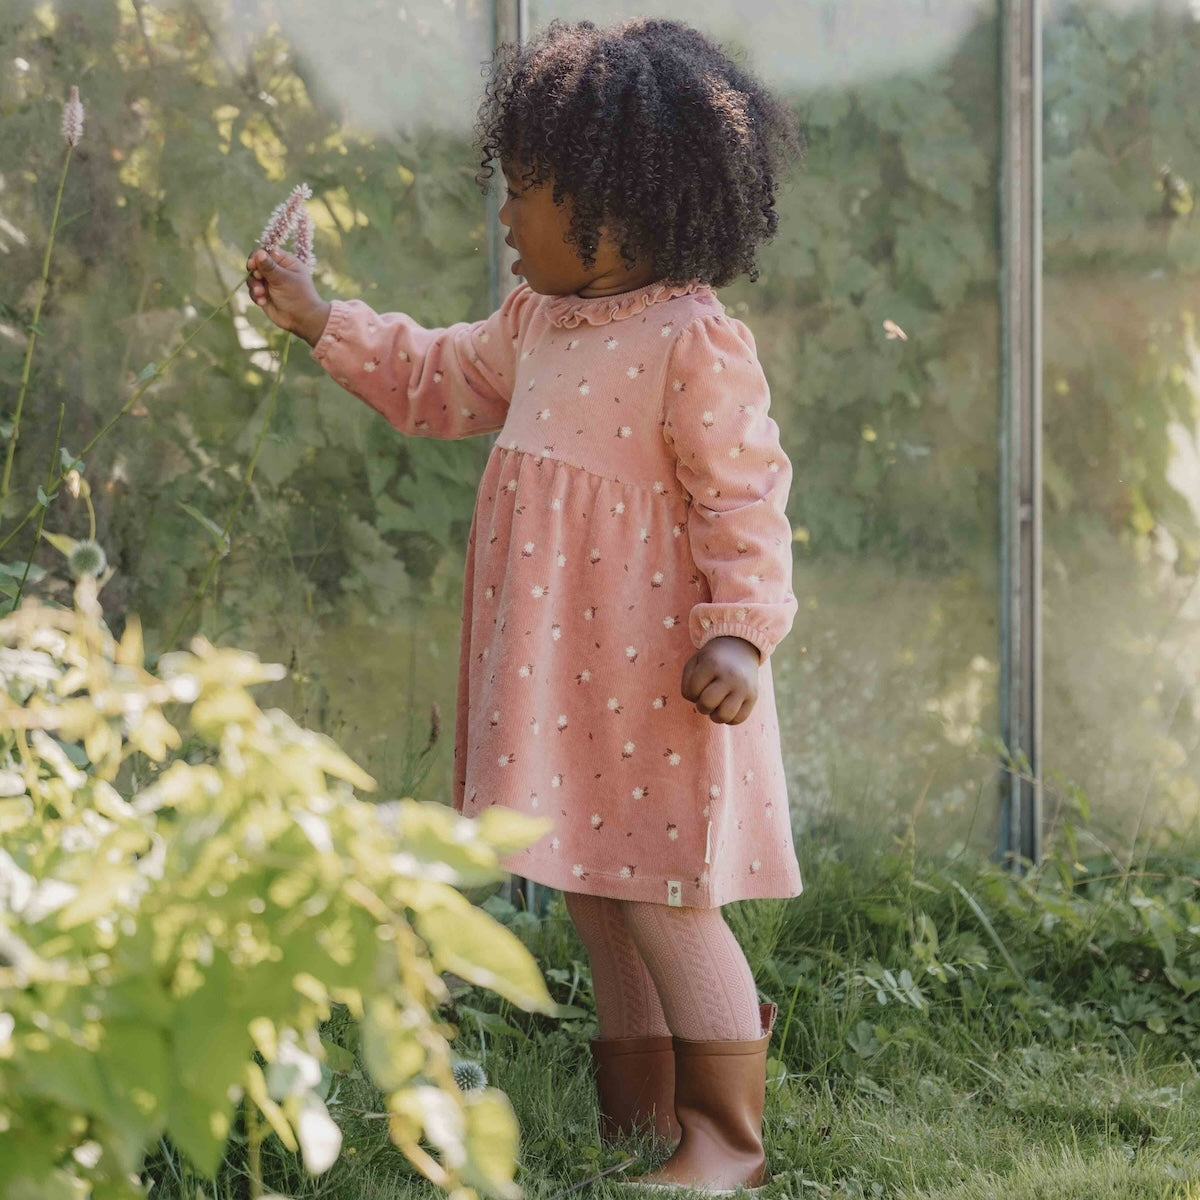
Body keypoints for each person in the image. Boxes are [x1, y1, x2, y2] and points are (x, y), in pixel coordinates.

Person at [245, 18, 803, 1194]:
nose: (507, 219)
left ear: (610, 211)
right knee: (600, 880)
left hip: (660, 682)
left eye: (527, 196)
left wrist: (741, 632)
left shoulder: (691, 341)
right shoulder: (538, 323)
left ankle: (728, 1140)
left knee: (669, 896)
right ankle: (638, 1101)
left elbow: (745, 500)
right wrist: (319, 317)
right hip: (563, 674)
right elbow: (436, 379)